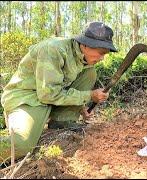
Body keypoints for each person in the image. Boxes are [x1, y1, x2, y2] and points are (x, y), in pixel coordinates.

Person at [0, 21, 117, 163]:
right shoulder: (53, 50)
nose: (102, 58)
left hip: (48, 98)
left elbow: (63, 86)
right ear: (86, 44)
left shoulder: (83, 59)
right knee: (22, 145)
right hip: (26, 98)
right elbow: (48, 94)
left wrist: (81, 108)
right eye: (101, 52)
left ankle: (62, 121)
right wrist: (90, 95)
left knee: (90, 73)